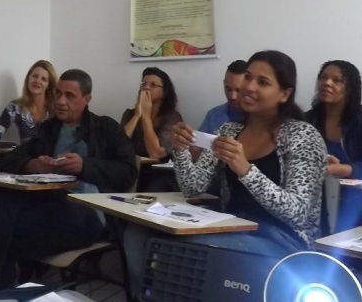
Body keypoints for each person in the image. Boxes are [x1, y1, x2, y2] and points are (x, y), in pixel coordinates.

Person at [124, 50, 326, 293]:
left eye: (263, 82)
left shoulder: (303, 135)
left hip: (282, 239)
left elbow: (299, 213)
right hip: (231, 226)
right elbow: (193, 187)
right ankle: (150, 296)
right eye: (248, 77)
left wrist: (246, 170)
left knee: (190, 247)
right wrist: (181, 150)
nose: (249, 87)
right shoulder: (229, 130)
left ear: (284, 94)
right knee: (137, 234)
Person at [0, 69, 137, 300]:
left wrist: (85, 166)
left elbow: (128, 172)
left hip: (88, 211)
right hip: (46, 201)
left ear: (86, 99)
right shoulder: (49, 128)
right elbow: (10, 160)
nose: (61, 101)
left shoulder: (106, 128)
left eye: (70, 96)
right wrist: (31, 164)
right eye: (58, 94)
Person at [306, 60, 362, 232]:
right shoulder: (308, 120)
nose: (327, 83)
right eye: (323, 78)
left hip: (358, 201)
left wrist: (341, 170)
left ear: (350, 88)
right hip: (316, 197)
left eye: (337, 80)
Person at [0, 60, 57, 158]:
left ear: (49, 85)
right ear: (28, 78)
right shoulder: (15, 107)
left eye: (43, 79)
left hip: (52, 161)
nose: (37, 81)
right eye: (35, 76)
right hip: (26, 162)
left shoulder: (55, 109)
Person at [120, 67, 181, 161]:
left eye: (153, 85)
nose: (146, 87)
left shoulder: (171, 117)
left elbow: (156, 153)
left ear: (165, 92)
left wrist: (145, 116)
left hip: (158, 168)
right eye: (143, 84)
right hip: (129, 165)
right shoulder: (129, 114)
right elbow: (118, 144)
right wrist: (136, 116)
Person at [197, 59, 247, 134]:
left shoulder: (259, 118)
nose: (232, 97)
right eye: (228, 89)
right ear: (224, 84)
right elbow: (199, 140)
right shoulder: (213, 115)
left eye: (238, 90)